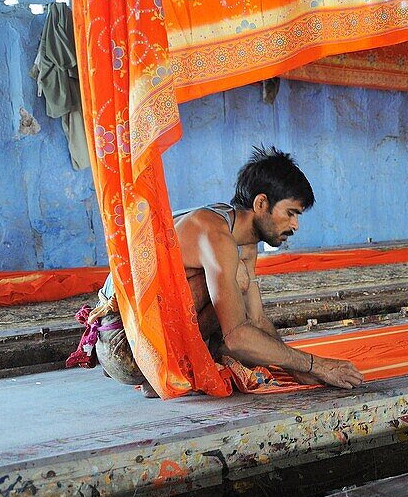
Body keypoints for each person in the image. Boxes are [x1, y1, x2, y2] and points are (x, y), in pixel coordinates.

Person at [89, 145, 364, 396]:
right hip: (123, 345)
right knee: (237, 283)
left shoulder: (246, 242)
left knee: (238, 286)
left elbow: (256, 319)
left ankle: (172, 368)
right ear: (261, 204)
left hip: (150, 336)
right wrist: (316, 364)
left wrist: (301, 368)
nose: (295, 225)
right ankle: (164, 370)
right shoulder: (214, 232)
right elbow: (237, 335)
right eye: (290, 213)